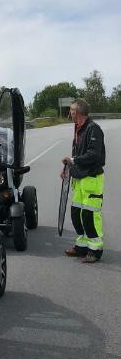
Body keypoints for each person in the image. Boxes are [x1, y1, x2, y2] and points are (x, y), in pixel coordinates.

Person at [61, 99, 105, 263]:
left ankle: (95, 250)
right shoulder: (78, 129)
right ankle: (81, 246)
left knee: (90, 216)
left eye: (71, 110)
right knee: (76, 215)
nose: (70, 113)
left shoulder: (94, 129)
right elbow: (76, 153)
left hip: (92, 178)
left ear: (76, 113)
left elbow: (94, 155)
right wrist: (67, 168)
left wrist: (73, 159)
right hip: (79, 179)